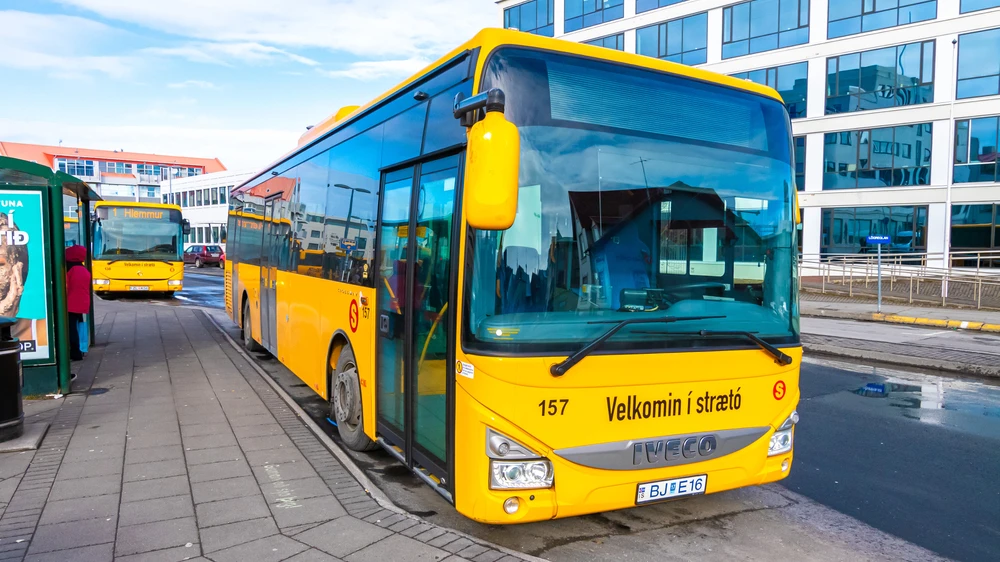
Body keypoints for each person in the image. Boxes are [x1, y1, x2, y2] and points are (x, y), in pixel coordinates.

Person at [65, 245, 91, 362]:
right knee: (79, 326)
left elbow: (66, 287)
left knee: (71, 329)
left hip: (70, 303)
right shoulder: (83, 269)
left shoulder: (70, 269)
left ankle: (75, 352)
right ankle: (81, 349)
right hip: (82, 303)